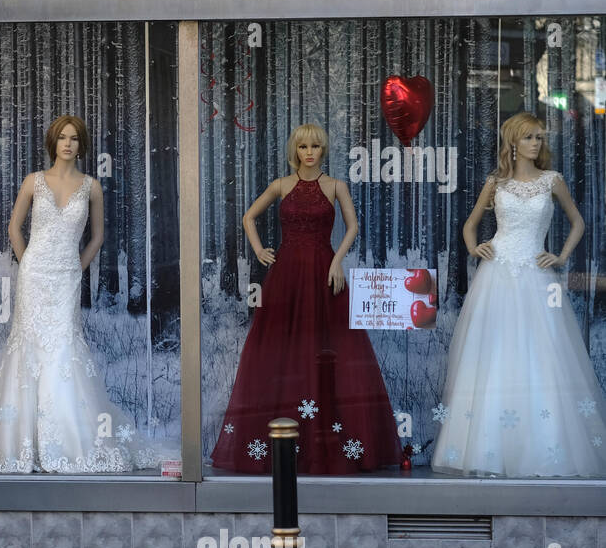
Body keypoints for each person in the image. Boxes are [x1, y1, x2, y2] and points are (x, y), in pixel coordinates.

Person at [0, 115, 167, 473]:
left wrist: (77, 267)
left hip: (66, 275)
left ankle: (66, 442)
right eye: (62, 137)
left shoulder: (91, 186)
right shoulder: (34, 181)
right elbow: (15, 227)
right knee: (28, 346)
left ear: (82, 145)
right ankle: (19, 443)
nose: (68, 143)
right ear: (53, 142)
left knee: (64, 347)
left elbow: (97, 236)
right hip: (34, 274)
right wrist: (27, 261)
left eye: (74, 138)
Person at [210, 123, 400, 474]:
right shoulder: (281, 186)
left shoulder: (335, 186)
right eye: (303, 147)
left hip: (323, 275)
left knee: (331, 351)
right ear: (294, 150)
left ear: (323, 149)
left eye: (315, 146)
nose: (309, 152)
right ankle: (280, 442)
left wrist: (337, 261)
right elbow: (249, 217)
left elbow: (353, 227)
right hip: (286, 277)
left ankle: (328, 441)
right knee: (282, 351)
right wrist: (259, 250)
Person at [432, 112, 606, 476]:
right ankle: (487, 450)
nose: (536, 143)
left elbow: (578, 221)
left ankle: (542, 446)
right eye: (529, 137)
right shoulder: (496, 183)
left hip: (535, 273)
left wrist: (560, 255)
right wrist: (474, 247)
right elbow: (470, 224)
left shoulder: (552, 181)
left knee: (540, 353)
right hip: (496, 274)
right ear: (513, 142)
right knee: (493, 353)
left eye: (539, 138)